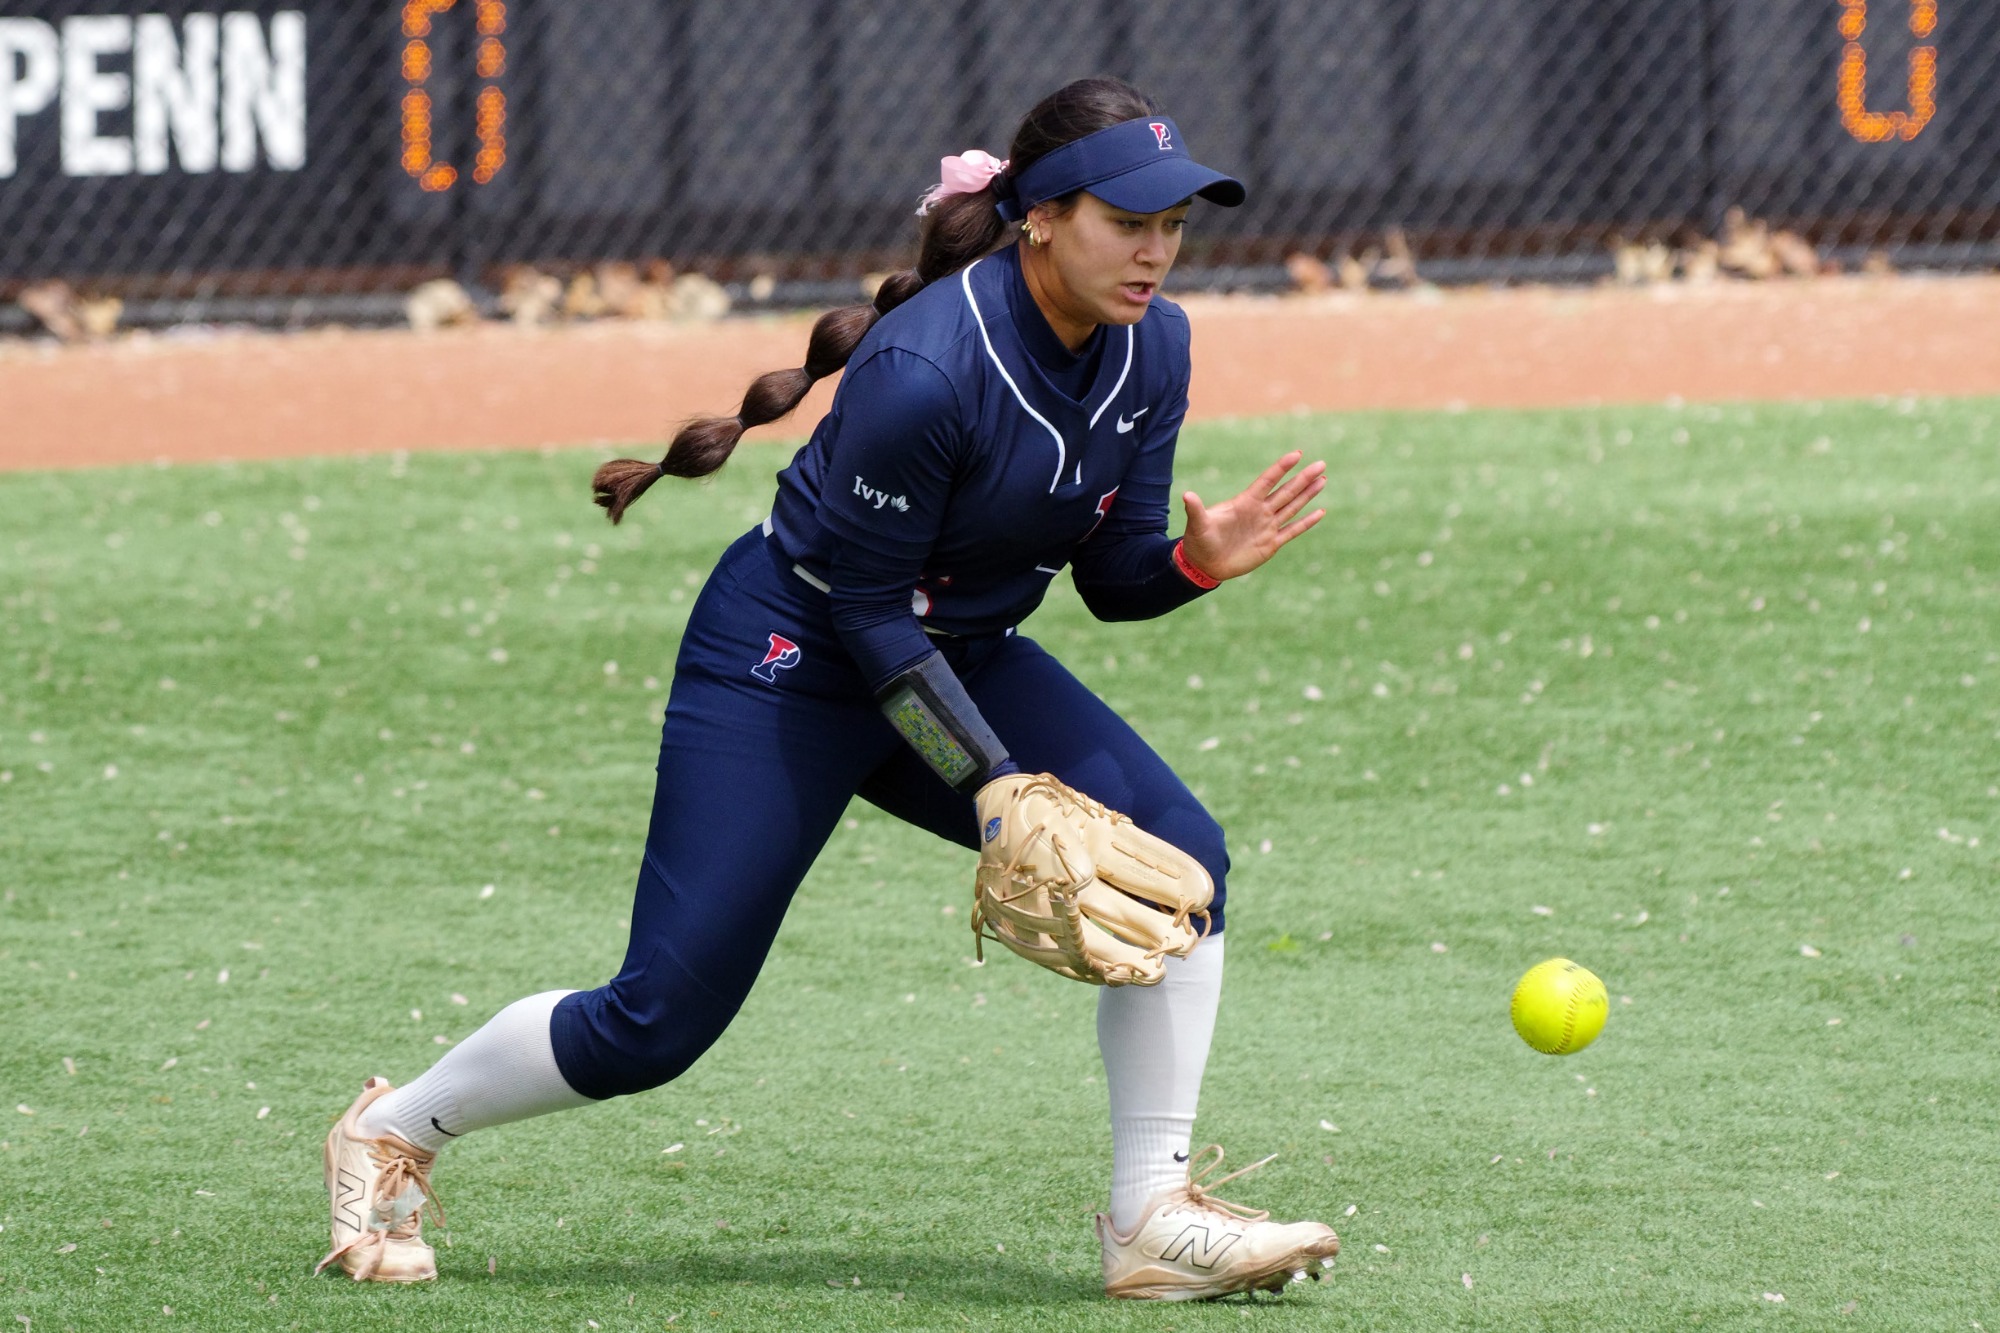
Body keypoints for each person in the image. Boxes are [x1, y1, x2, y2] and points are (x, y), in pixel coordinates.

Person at [319, 75, 1337, 1302]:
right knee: (657, 1022)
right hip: (787, 662)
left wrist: (1190, 561)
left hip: (949, 654)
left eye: (1174, 223)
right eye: (1129, 220)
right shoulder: (924, 371)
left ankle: (1150, 1216)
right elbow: (861, 615)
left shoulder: (1152, 346)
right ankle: (397, 1125)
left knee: (1180, 867)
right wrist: (997, 781)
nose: (1156, 251)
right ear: (1040, 219)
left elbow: (1111, 579)